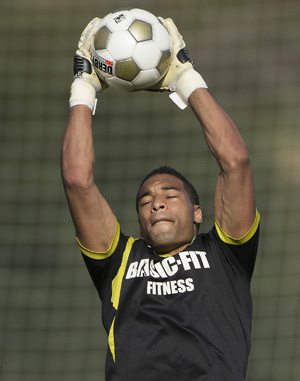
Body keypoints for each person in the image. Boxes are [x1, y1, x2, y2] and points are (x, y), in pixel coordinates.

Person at [61, 14, 260, 381]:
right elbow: (77, 180)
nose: (157, 202)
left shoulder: (225, 254)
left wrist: (185, 78)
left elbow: (236, 161)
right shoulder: (119, 261)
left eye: (171, 194)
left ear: (199, 213)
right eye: (145, 200)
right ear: (139, 219)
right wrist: (83, 87)